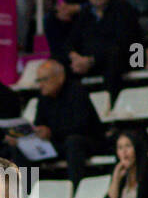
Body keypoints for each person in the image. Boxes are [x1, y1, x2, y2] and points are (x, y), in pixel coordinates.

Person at [10, 59, 101, 187]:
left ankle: (75, 190)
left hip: (85, 143)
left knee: (73, 142)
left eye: (44, 79)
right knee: (21, 148)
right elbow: (39, 125)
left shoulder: (77, 91)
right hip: (56, 144)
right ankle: (27, 194)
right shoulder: (43, 96)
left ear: (60, 77)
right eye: (39, 80)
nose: (41, 84)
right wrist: (25, 136)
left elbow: (83, 126)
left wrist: (51, 133)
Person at [63, 0, 140, 99]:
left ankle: (109, 103)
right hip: (93, 61)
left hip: (133, 57)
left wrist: (91, 60)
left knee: (114, 55)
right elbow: (70, 41)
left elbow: (124, 43)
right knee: (60, 63)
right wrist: (75, 56)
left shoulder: (123, 8)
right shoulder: (85, 14)